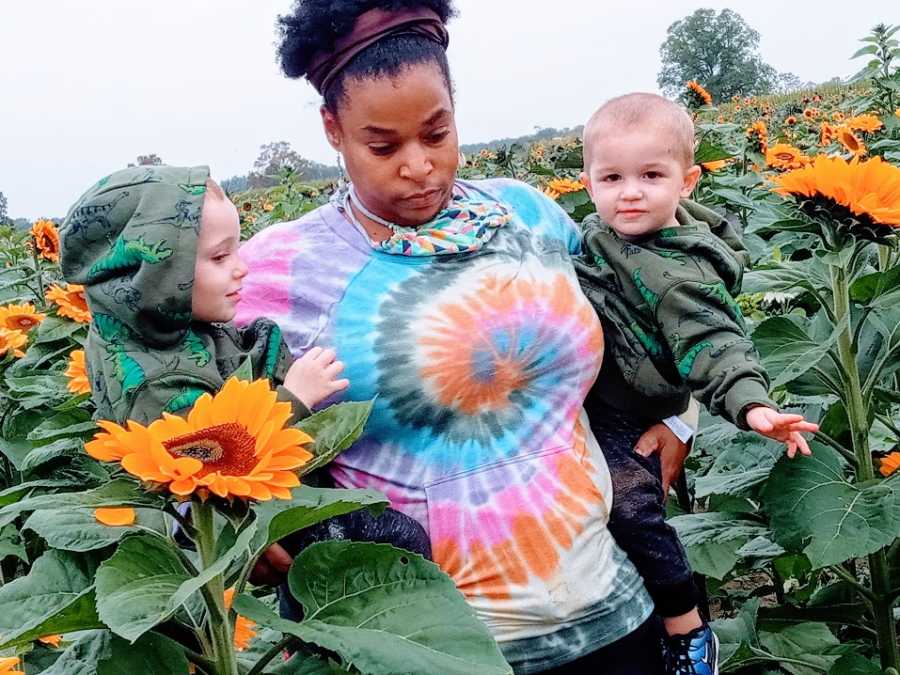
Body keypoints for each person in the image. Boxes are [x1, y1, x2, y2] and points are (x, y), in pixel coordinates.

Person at [237, 3, 697, 672]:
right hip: (420, 645)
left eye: (437, 132)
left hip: (610, 607)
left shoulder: (529, 213)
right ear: (333, 130)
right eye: (384, 145)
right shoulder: (280, 267)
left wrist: (681, 416)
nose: (419, 165)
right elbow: (182, 402)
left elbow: (660, 300)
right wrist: (248, 519)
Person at [575, 93, 819, 674]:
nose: (629, 192)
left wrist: (752, 406)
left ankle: (688, 629)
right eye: (612, 177)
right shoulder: (597, 232)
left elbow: (715, 343)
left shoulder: (678, 273)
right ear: (588, 183)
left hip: (623, 407)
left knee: (630, 506)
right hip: (587, 393)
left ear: (687, 182)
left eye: (650, 176)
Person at [57, 165, 348, 426]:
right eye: (220, 257)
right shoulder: (157, 386)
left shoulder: (157, 325)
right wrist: (293, 398)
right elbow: (211, 459)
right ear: (154, 274)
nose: (242, 268)